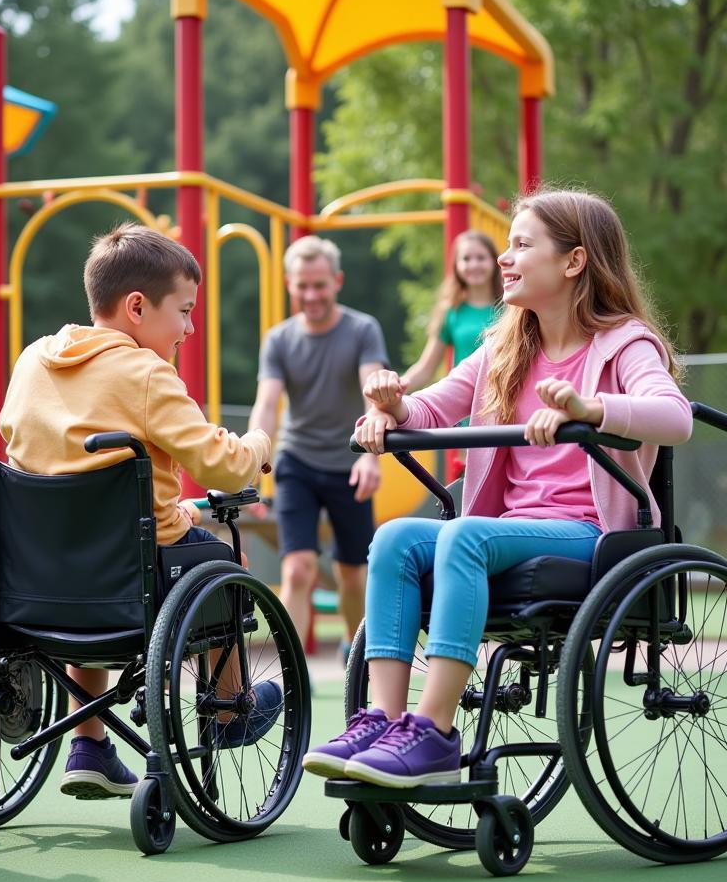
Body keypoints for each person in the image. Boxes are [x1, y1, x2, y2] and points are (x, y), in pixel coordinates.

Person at [302, 189, 693, 787]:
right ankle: (381, 719)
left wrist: (592, 408)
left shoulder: (625, 342)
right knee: (394, 539)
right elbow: (430, 409)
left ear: (574, 261)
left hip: (590, 535)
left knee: (462, 536)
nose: (505, 259)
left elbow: (675, 417)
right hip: (508, 530)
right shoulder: (506, 348)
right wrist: (389, 409)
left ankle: (432, 732)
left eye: (521, 245)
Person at [0, 222, 275, 799]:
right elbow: (222, 465)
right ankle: (229, 710)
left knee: (110, 550)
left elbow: (23, 452)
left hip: (41, 572)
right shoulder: (146, 373)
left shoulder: (31, 361)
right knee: (225, 561)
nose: (190, 328)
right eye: (184, 310)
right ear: (136, 307)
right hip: (131, 568)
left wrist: (176, 512)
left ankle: (90, 741)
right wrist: (258, 446)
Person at [248, 235, 389, 659]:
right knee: (298, 569)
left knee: (351, 574)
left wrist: (370, 456)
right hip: (297, 462)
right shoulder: (279, 339)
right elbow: (268, 403)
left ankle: (357, 653)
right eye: (302, 286)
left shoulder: (362, 330)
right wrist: (253, 458)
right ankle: (290, 673)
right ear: (291, 285)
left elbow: (374, 393)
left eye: (319, 285)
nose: (311, 295)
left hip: (349, 460)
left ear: (337, 281)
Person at [402, 230, 502, 392]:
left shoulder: (512, 307)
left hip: (505, 403)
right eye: (466, 259)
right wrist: (395, 389)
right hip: (464, 406)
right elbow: (426, 368)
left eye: (481, 258)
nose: (474, 265)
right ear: (456, 265)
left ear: (494, 261)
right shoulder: (451, 311)